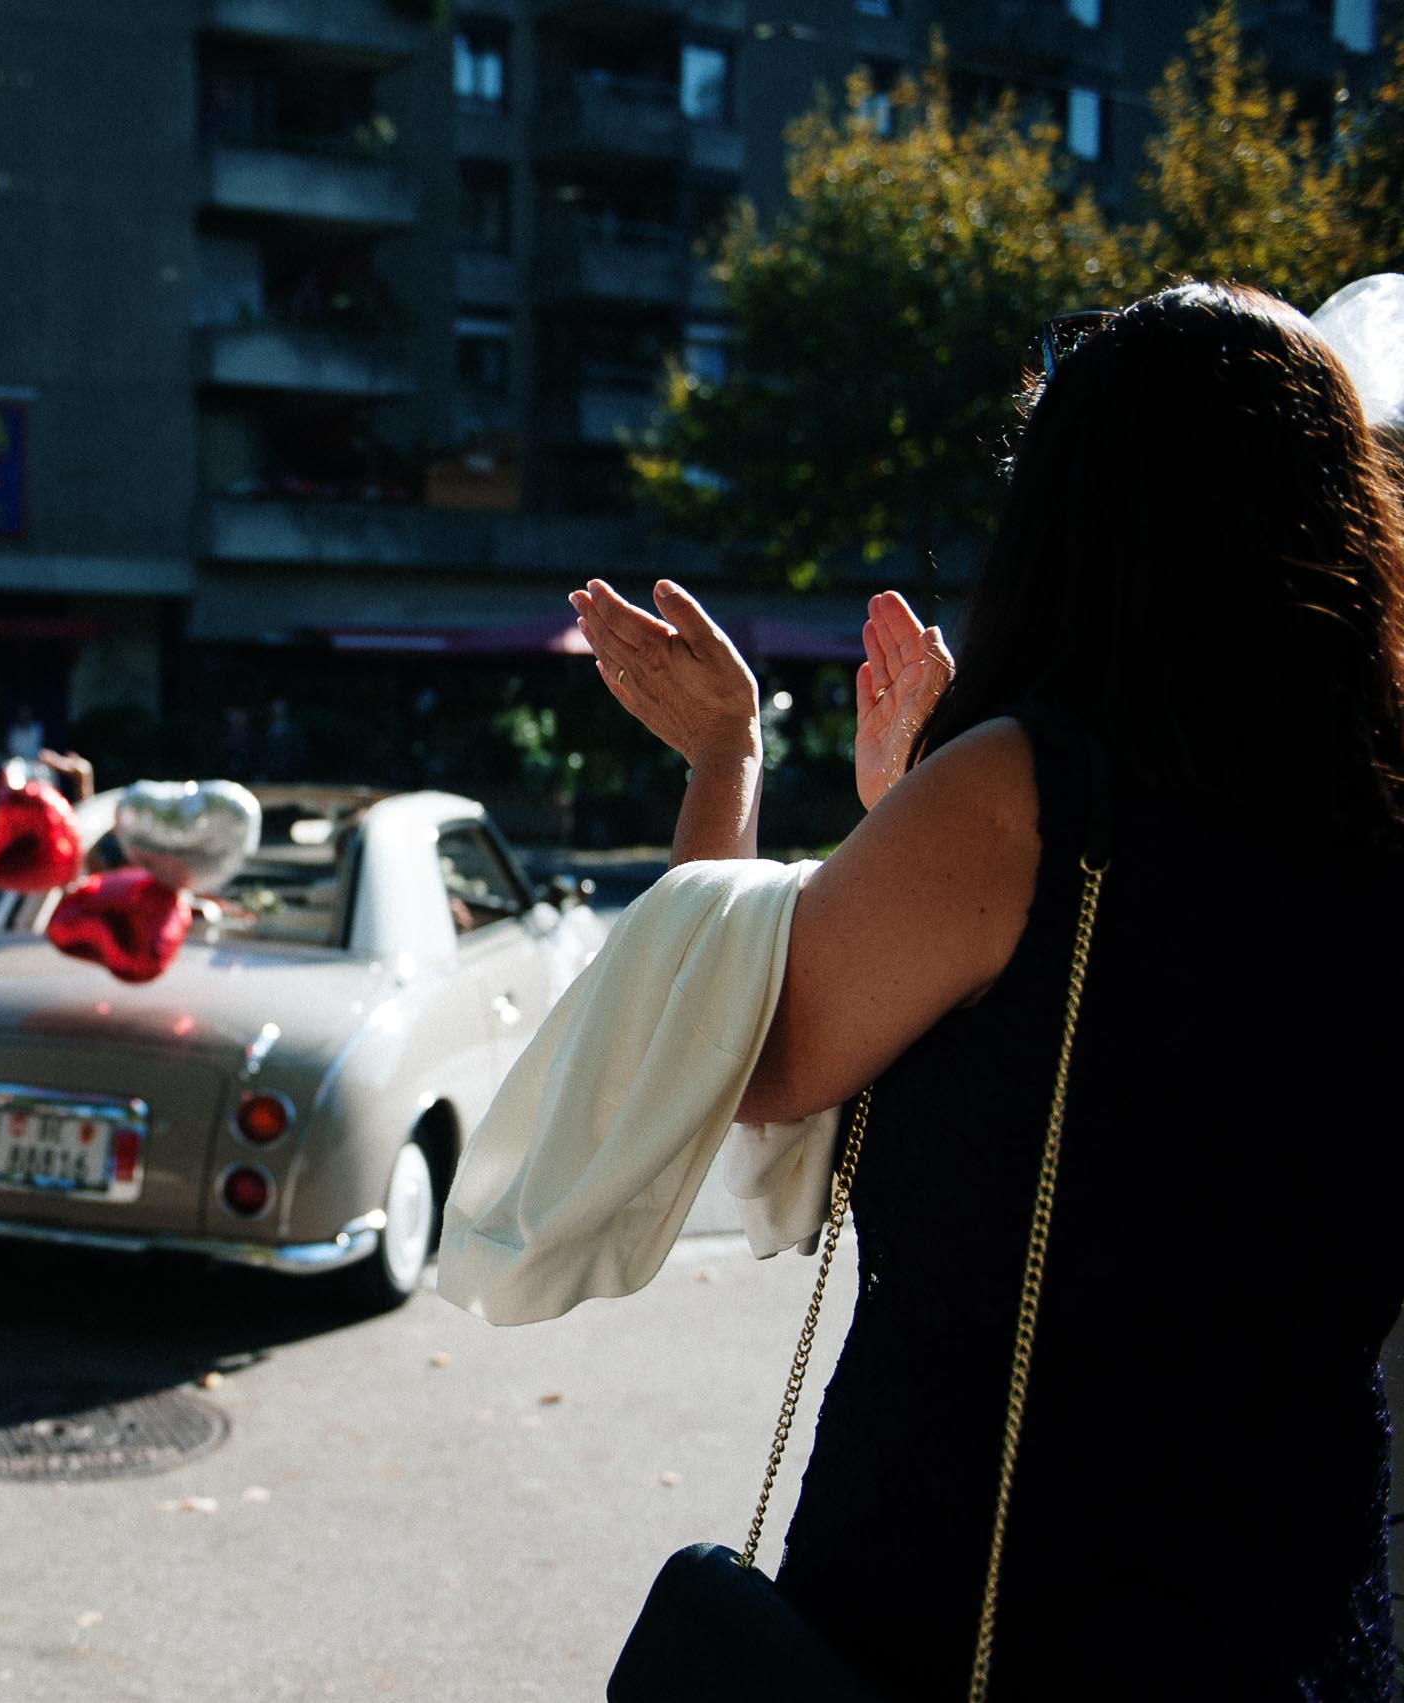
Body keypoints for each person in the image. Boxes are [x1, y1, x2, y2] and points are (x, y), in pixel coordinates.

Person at [466, 283, 1404, 1695]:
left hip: (991, 1582)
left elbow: (743, 1052)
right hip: (1288, 1584)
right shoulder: (1375, 809)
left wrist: (728, 762)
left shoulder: (1029, 792)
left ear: (1080, 513)